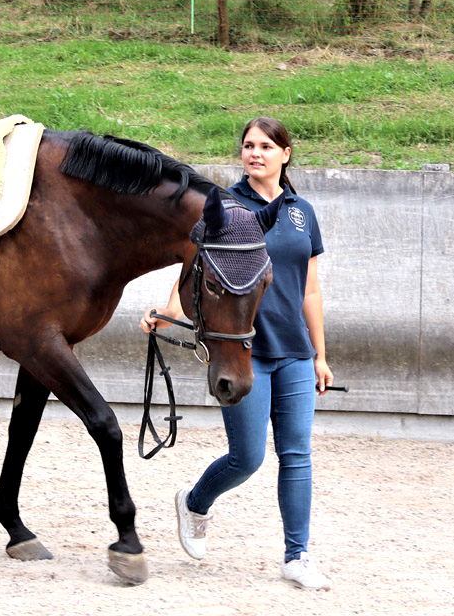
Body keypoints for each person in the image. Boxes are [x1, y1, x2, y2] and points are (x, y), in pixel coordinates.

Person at [140, 116, 335, 590]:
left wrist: (320, 355)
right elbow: (193, 269)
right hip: (243, 351)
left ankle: (298, 554)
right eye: (248, 145)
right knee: (247, 458)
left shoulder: (300, 212)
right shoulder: (223, 207)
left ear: (285, 154)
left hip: (294, 350)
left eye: (266, 146)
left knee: (297, 454)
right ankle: (195, 503)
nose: (255, 153)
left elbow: (309, 288)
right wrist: (167, 313)